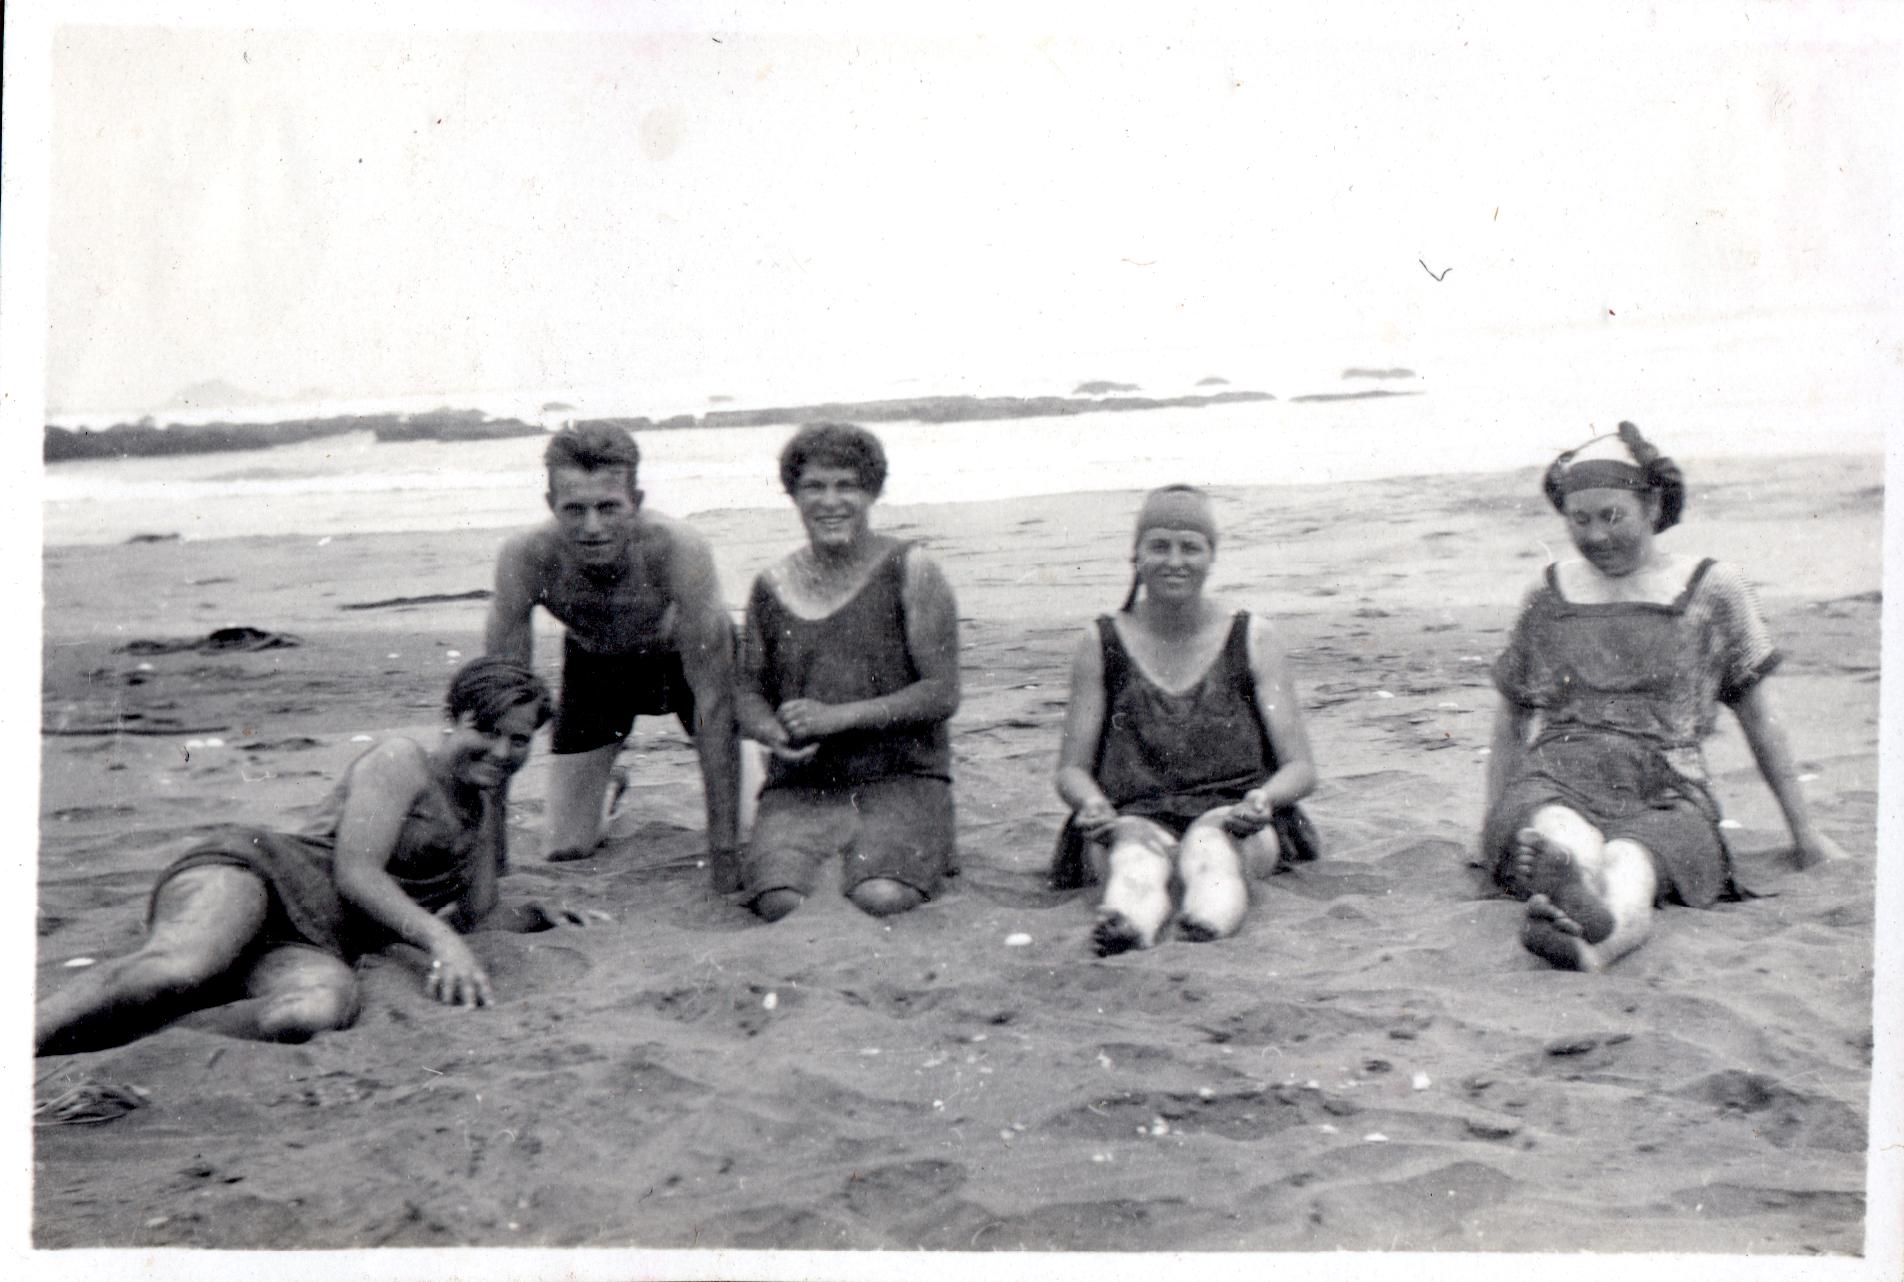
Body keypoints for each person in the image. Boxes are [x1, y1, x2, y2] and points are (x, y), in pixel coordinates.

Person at [37, 659, 576, 1056]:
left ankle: (131, 1042)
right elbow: (357, 873)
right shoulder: (402, 762)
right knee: (180, 966)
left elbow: (478, 913)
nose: (502, 753)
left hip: (313, 939)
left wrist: (541, 917)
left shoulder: (485, 807)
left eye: (520, 741)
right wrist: (439, 940)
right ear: (451, 719)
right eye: (485, 731)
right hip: (257, 876)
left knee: (312, 1011)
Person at [1482, 422, 1847, 972]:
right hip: (1556, 775)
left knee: (1633, 863)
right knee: (1563, 835)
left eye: (1612, 516)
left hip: (1668, 787)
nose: (1596, 536)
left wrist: (1807, 834)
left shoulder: (1712, 590)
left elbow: (1761, 719)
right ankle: (1579, 907)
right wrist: (1488, 826)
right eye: (1579, 520)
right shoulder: (1548, 593)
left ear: (1652, 507)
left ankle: (1591, 939)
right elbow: (1510, 717)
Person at [1053, 485, 1319, 956]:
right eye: (1159, 545)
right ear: (1135, 554)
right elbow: (1071, 769)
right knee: (1137, 860)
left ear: (1211, 556)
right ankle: (1127, 926)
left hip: (1233, 815)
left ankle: (1205, 925)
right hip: (1131, 814)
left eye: (1190, 547)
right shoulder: (1100, 642)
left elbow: (1299, 768)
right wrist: (1092, 803)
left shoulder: (1252, 638)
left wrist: (1264, 798)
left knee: (1210, 848)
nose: (1174, 560)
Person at [485, 420, 740, 886]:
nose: (592, 527)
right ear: (550, 506)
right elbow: (498, 704)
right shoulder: (527, 556)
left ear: (636, 503)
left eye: (608, 507)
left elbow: (715, 699)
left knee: (748, 824)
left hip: (681, 662)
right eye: (574, 510)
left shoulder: (677, 547)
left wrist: (724, 854)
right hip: (597, 670)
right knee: (566, 846)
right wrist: (493, 863)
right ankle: (609, 784)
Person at [735, 422, 960, 921]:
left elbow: (942, 694)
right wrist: (772, 732)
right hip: (802, 784)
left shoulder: (912, 569)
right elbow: (747, 690)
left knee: (881, 896)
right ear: (793, 494)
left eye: (847, 486)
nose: (830, 501)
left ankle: (914, 847)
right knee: (781, 903)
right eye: (814, 486)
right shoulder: (771, 585)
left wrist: (838, 717)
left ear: (872, 491)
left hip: (903, 774)